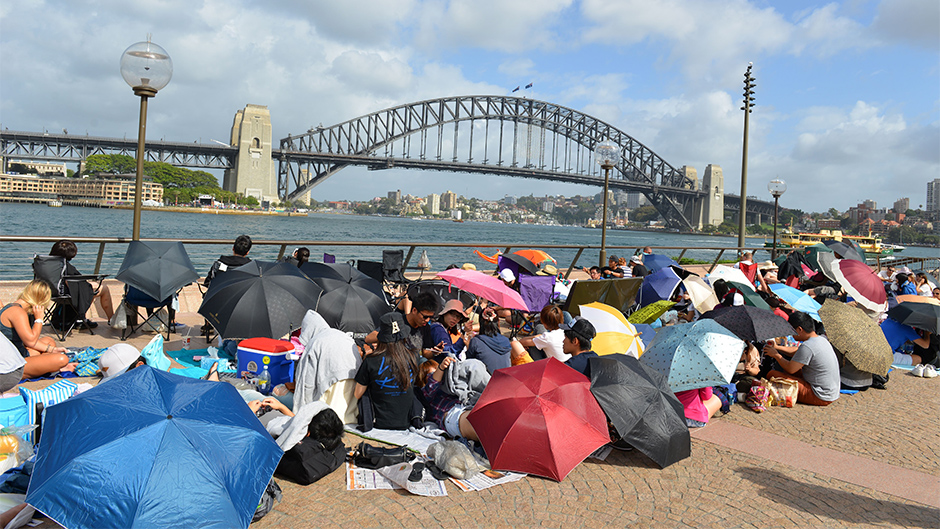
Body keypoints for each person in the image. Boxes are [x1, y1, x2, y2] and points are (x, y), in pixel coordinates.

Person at [355, 312, 418, 430]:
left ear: (381, 336)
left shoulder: (371, 360)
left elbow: (357, 394)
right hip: (406, 422)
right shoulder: (413, 357)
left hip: (378, 422)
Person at [762, 311, 840, 406]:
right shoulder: (821, 339)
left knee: (772, 374)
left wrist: (776, 355)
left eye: (792, 330)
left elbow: (791, 369)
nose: (791, 334)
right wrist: (777, 348)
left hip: (819, 395)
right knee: (792, 369)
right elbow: (798, 353)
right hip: (832, 392)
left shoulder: (808, 346)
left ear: (799, 329)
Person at [0, 281, 72, 378]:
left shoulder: (14, 307)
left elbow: (27, 341)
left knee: (49, 341)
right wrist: (39, 319)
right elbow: (31, 342)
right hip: (11, 364)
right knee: (62, 359)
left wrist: (53, 349)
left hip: (18, 352)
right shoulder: (17, 312)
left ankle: (44, 366)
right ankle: (45, 367)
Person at [48, 240, 114, 326]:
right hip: (64, 294)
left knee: (89, 287)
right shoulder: (66, 268)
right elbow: (73, 286)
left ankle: (81, 318)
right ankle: (111, 319)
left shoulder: (45, 264)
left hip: (50, 292)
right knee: (102, 288)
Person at [415, 357, 480, 441]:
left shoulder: (450, 388)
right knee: (480, 425)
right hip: (452, 415)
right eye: (430, 374)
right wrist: (441, 368)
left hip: (467, 404)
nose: (439, 373)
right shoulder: (424, 395)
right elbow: (431, 385)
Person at [465, 307, 511, 374]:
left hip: (485, 382)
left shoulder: (476, 342)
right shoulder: (506, 340)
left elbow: (469, 363)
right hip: (504, 380)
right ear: (498, 322)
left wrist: (467, 345)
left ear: (480, 323)